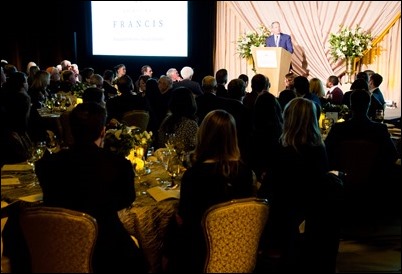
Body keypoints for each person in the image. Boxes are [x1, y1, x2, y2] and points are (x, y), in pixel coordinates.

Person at [35, 102, 147, 273]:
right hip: (109, 251)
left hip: (58, 244)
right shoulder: (119, 165)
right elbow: (128, 199)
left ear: (71, 130)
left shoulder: (46, 165)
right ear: (103, 131)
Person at [163, 109, 256, 272]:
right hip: (238, 246)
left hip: (199, 251)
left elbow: (184, 218)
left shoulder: (194, 175)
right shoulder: (246, 173)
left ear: (204, 135)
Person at [258, 97, 338, 273]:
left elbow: (270, 191)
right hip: (312, 216)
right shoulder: (320, 150)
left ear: (288, 118)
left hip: (282, 220)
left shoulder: (282, 150)